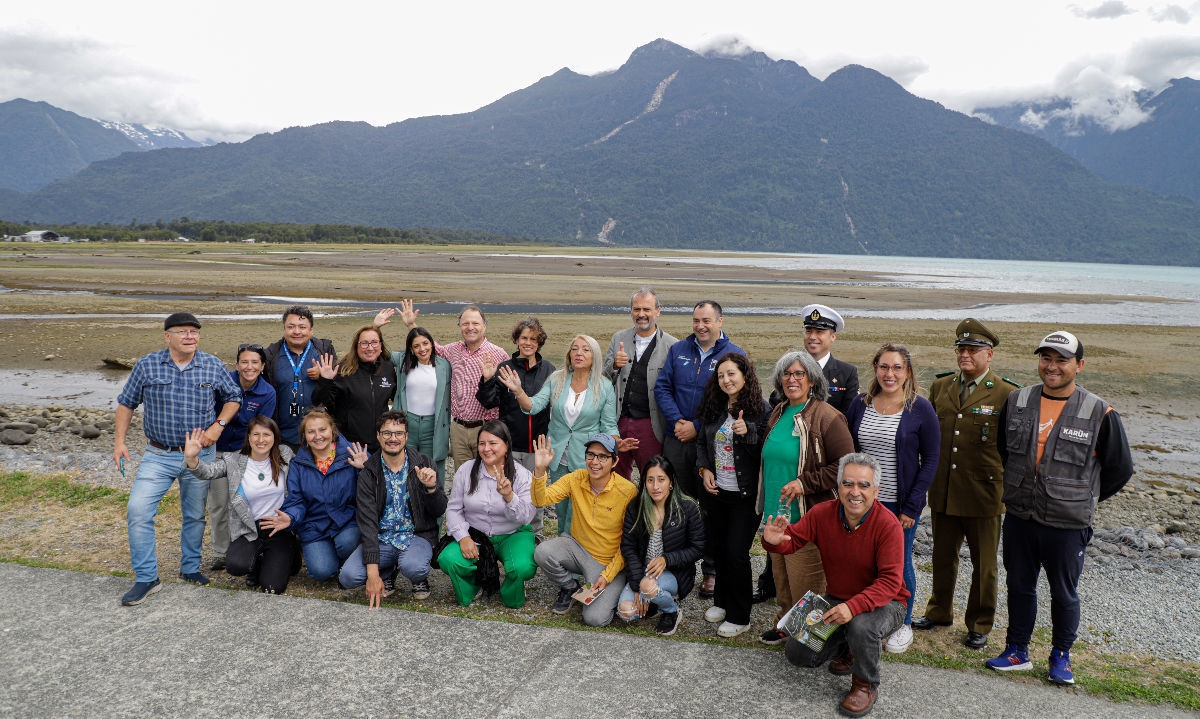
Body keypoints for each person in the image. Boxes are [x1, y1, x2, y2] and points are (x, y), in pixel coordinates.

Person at [986, 331, 1132, 685]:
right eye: (1046, 358)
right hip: (1021, 516)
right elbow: (1005, 450)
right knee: (1020, 586)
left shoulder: (1099, 411)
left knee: (1063, 593)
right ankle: (1017, 650)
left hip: (1067, 525)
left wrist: (1083, 496)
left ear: (1078, 366)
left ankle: (1060, 656)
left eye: (1061, 360)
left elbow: (1120, 468)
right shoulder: (1018, 400)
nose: (1052, 366)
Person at [763, 453, 908, 718]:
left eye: (864, 485)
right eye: (848, 483)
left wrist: (852, 608)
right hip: (838, 598)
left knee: (862, 625)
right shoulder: (822, 513)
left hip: (887, 603)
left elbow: (890, 583)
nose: (855, 492)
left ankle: (865, 684)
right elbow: (792, 540)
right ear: (838, 486)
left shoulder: (888, 525)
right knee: (797, 652)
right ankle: (849, 649)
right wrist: (774, 541)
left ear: (876, 490)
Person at [114, 312, 243, 605]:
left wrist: (217, 426)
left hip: (199, 455)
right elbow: (126, 403)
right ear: (167, 336)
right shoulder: (147, 365)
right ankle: (147, 578)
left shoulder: (211, 365)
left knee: (195, 514)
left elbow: (234, 396)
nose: (190, 337)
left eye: (194, 332)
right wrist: (119, 442)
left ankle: (190, 568)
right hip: (158, 454)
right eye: (183, 331)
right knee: (138, 510)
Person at [914, 318, 1018, 650]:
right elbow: (930, 438)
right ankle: (939, 611)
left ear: (989, 355)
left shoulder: (1007, 393)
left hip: (983, 493)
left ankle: (980, 623)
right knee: (943, 556)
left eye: (972, 350)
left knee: (984, 565)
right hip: (944, 489)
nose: (965, 355)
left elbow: (1011, 448)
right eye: (961, 349)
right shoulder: (941, 387)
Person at [756, 303, 860, 605]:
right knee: (782, 581)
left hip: (808, 515)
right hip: (776, 514)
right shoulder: (777, 412)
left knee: (807, 587)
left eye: (800, 374)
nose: (792, 380)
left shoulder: (828, 416)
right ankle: (784, 626)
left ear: (811, 380)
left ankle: (807, 644)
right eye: (786, 374)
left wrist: (805, 483)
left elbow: (844, 466)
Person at [845, 343, 940, 654]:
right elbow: (849, 450)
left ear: (907, 372)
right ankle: (865, 617)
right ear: (875, 369)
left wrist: (913, 505)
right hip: (860, 502)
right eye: (884, 367)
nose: (890, 373)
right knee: (861, 561)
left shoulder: (920, 409)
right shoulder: (861, 404)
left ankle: (903, 623)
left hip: (898, 505)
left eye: (897, 368)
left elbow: (931, 460)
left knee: (899, 566)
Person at [497, 334, 631, 537]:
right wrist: (518, 391)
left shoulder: (603, 386)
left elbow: (609, 425)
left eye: (585, 349)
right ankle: (563, 550)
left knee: (580, 510)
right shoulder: (557, 379)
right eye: (575, 348)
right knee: (561, 508)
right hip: (559, 456)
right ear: (569, 354)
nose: (579, 353)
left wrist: (616, 443)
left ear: (594, 356)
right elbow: (533, 406)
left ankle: (581, 553)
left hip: (587, 458)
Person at [654, 300, 745, 597]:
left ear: (720, 321)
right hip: (676, 439)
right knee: (674, 504)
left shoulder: (733, 355)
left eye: (706, 320)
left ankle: (711, 570)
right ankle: (677, 566)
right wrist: (679, 421)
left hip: (711, 444)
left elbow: (732, 397)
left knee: (708, 507)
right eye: (696, 320)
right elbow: (662, 388)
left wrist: (696, 424)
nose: (700, 326)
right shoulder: (679, 349)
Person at [694, 352, 770, 639]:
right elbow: (702, 441)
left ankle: (741, 616)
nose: (726, 380)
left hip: (745, 496)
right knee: (720, 548)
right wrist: (703, 469)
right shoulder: (715, 406)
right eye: (721, 375)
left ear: (745, 375)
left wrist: (747, 431)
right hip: (717, 492)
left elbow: (763, 452)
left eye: (732, 374)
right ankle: (722, 602)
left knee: (737, 553)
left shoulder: (761, 410)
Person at [381, 300, 509, 470]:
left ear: (484, 326)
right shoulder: (452, 350)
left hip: (487, 426)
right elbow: (426, 347)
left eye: (475, 323)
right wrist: (411, 324)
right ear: (460, 326)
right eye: (465, 323)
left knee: (491, 473)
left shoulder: (499, 354)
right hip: (458, 429)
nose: (470, 327)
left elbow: (508, 394)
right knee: (463, 476)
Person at [339, 410, 446, 606]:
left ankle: (416, 577)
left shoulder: (423, 463)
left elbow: (439, 511)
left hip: (416, 536)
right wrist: (373, 574)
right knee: (348, 577)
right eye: (387, 433)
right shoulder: (369, 472)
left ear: (406, 436)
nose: (392, 438)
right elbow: (368, 523)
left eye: (398, 433)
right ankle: (386, 571)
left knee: (414, 567)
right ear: (378, 436)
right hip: (382, 538)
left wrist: (430, 488)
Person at [531, 434, 638, 627]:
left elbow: (629, 543)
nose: (595, 462)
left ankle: (622, 589)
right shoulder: (576, 478)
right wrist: (540, 471)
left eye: (603, 457)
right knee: (542, 551)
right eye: (591, 455)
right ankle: (571, 587)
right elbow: (540, 500)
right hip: (577, 548)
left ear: (615, 462)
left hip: (607, 562)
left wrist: (607, 576)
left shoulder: (628, 491)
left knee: (595, 619)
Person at [185, 416, 298, 594]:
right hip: (249, 528)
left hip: (278, 527)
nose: (261, 440)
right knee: (236, 566)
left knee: (273, 587)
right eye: (256, 434)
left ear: (275, 437)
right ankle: (257, 563)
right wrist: (192, 458)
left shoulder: (285, 455)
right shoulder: (234, 461)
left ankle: (288, 557)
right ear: (249, 437)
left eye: (266, 435)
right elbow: (208, 471)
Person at [438, 420, 538, 608]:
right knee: (448, 559)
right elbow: (453, 509)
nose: (486, 448)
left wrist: (509, 496)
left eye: (493, 443)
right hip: (476, 535)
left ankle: (513, 589)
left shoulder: (522, 475)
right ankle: (474, 584)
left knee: (522, 566)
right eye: (482, 443)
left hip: (512, 534)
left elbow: (526, 517)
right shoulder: (466, 470)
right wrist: (463, 537)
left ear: (506, 446)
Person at [259, 409, 364, 583]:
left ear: (332, 430)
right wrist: (291, 517)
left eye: (322, 430)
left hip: (347, 522)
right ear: (304, 436)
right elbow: (296, 500)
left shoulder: (353, 453)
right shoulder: (299, 464)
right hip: (314, 526)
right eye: (311, 431)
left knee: (348, 541)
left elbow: (372, 489)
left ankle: (348, 562)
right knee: (321, 571)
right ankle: (330, 559)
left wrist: (364, 470)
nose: (318, 436)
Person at [617, 455, 705, 636]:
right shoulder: (636, 507)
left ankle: (671, 611)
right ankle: (653, 601)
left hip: (674, 573)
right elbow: (628, 547)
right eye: (650, 480)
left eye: (661, 479)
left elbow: (698, 548)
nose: (655, 486)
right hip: (642, 571)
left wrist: (667, 559)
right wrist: (635, 584)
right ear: (644, 482)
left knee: (648, 587)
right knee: (626, 612)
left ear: (671, 482)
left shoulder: (687, 507)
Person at [208, 342, 277, 572]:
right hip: (215, 449)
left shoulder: (267, 392)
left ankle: (244, 549)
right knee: (218, 503)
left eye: (255, 362)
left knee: (241, 503)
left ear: (263, 365)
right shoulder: (221, 382)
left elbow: (261, 430)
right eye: (244, 362)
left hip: (243, 452)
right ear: (236, 364)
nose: (249, 367)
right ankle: (220, 552)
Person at [603, 287, 679, 480]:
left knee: (652, 475)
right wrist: (614, 366)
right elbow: (603, 381)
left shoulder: (672, 346)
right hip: (617, 422)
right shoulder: (618, 339)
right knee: (615, 475)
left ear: (658, 311)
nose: (641, 314)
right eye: (637, 309)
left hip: (651, 425)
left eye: (647, 309)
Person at [477, 316, 555, 471]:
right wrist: (487, 380)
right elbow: (489, 402)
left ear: (539, 343)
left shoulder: (548, 369)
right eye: (524, 338)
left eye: (533, 339)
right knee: (508, 489)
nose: (528, 343)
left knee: (534, 490)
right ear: (517, 340)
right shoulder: (505, 368)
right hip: (509, 444)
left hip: (537, 446)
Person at [312, 325, 397, 453]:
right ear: (356, 346)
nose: (370, 348)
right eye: (364, 343)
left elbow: (398, 397)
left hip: (381, 444)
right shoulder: (343, 370)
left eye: (374, 342)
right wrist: (325, 380)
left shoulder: (388, 368)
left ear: (380, 345)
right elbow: (321, 402)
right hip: (350, 445)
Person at [262, 306, 336, 451]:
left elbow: (337, 389)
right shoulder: (270, 355)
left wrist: (323, 377)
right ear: (284, 328)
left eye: (302, 327)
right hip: (282, 438)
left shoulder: (324, 351)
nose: (297, 331)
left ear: (311, 330)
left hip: (319, 436)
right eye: (291, 327)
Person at [389, 326, 452, 486]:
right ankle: (409, 507)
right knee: (405, 465)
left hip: (433, 425)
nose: (422, 349)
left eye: (425, 343)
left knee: (433, 466)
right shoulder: (404, 360)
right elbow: (383, 352)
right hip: (407, 423)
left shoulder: (443, 365)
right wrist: (376, 326)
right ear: (410, 348)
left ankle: (436, 509)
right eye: (416, 346)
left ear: (432, 343)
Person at [799, 304, 860, 416]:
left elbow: (850, 413)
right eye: (808, 331)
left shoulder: (847, 373)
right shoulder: (790, 367)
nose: (812, 337)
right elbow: (777, 405)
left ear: (833, 337)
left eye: (819, 332)